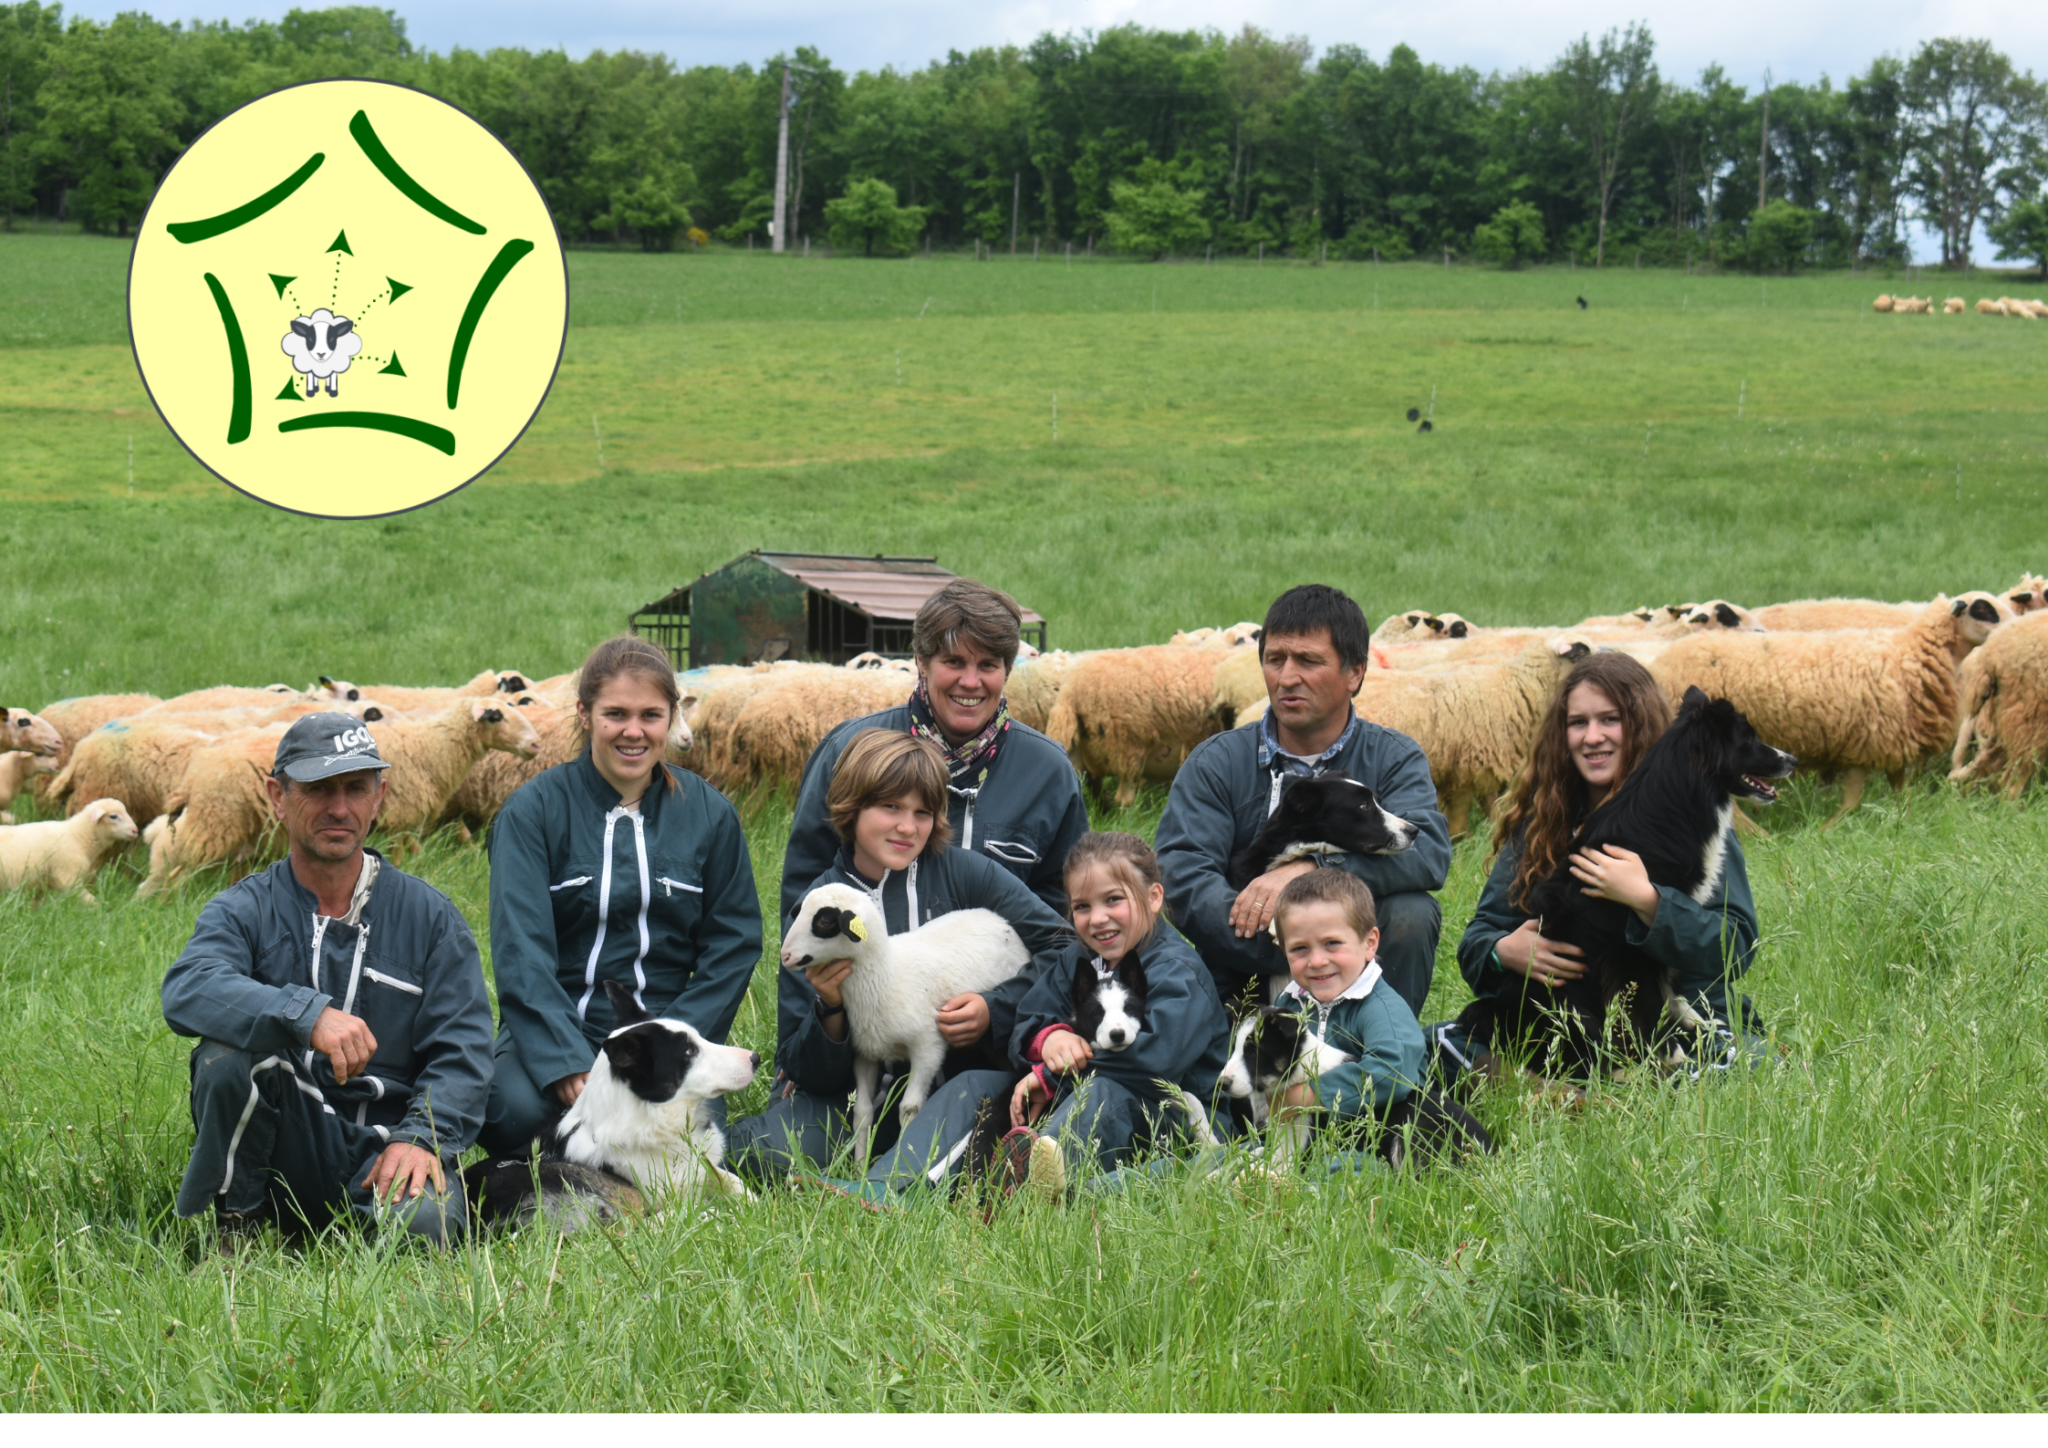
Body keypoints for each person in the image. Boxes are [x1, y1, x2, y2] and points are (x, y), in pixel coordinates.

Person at [164, 713, 492, 1245]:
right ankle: (241, 1224)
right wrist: (305, 1014)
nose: (339, 808)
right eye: (317, 789)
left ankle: (360, 1216)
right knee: (226, 1056)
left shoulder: (432, 918)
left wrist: (421, 1138)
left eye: (355, 789)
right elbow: (190, 987)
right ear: (277, 796)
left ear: (379, 797)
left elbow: (465, 1051)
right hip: (282, 1145)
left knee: (425, 1230)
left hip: (385, 1150)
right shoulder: (243, 909)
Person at [726, 730, 1071, 1186]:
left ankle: (877, 1192)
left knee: (964, 1108)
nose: (908, 827)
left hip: (952, 1081)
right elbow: (799, 1062)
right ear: (852, 808)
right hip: (849, 1096)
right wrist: (830, 1008)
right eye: (889, 807)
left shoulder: (967, 873)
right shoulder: (822, 908)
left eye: (922, 812)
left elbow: (1063, 945)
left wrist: (996, 1007)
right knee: (766, 1151)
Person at [480, 635, 763, 1157]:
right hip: (558, 1027)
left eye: (650, 715)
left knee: (679, 1134)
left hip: (666, 1045)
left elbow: (735, 943)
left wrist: (677, 1052)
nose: (633, 732)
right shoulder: (532, 812)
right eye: (615, 714)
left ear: (672, 717)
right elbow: (521, 949)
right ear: (585, 714)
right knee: (511, 1113)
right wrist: (565, 1061)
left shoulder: (711, 815)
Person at [1155, 584, 1451, 1020]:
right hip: (1243, 965)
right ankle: (1227, 1055)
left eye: (1309, 661)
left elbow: (1427, 853)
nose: (1287, 677)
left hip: (1355, 962)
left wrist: (1314, 871)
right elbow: (1183, 873)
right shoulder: (1218, 762)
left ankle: (1384, 1061)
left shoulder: (1392, 757)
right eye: (1275, 659)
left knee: (1412, 912)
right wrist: (1282, 944)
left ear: (1355, 673)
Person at [1453, 650, 1762, 1069]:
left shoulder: (1696, 826)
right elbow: (1478, 938)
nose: (1592, 737)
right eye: (1578, 723)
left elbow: (1736, 947)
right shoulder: (1541, 822)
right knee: (1443, 1050)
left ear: (1642, 726)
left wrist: (1649, 901)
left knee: (1721, 1071)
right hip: (1568, 1018)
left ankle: (1587, 1085)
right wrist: (1502, 950)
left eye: (1610, 720)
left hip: (1685, 1016)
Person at [778, 578, 1087, 923]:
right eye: (953, 662)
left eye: (988, 665)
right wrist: (829, 968)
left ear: (1007, 670)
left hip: (1007, 977)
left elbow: (1067, 908)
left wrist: (1025, 977)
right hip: (869, 974)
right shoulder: (848, 750)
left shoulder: (1049, 772)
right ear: (921, 661)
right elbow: (805, 891)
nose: (970, 682)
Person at [995, 832, 1231, 1198]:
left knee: (1103, 1092)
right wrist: (1051, 1039)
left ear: (1154, 897)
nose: (1098, 919)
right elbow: (1028, 1018)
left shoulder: (1177, 971)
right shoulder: (1076, 959)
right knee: (980, 1085)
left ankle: (1026, 1196)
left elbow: (1153, 1061)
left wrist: (1051, 1077)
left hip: (1177, 1122)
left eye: (1113, 900)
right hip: (1088, 1104)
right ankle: (892, 1189)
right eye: (1082, 907)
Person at [1266, 868, 1426, 1134]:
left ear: (1369, 943)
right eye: (1299, 948)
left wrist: (1312, 1095)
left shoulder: (1379, 1008)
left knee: (1342, 1169)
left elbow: (1393, 1072)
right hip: (1306, 1134)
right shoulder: (1291, 1002)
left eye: (1332, 943)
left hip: (1378, 1132)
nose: (1317, 961)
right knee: (1228, 1160)